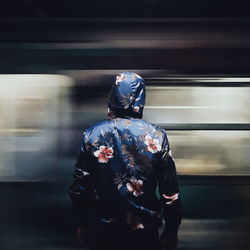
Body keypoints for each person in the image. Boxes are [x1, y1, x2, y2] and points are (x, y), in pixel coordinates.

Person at [69, 72, 182, 250]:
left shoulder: (92, 134)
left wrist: (82, 224)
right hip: (145, 234)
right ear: (140, 99)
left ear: (112, 96)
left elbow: (79, 188)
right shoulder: (157, 135)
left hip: (104, 232)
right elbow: (170, 193)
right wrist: (171, 230)